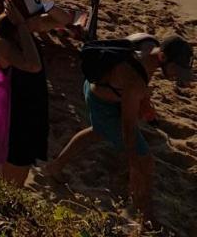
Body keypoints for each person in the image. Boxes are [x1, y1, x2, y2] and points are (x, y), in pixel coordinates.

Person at [47, 33, 192, 221]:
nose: (175, 76)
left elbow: (127, 69)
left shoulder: (148, 42)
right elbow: (128, 127)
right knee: (145, 163)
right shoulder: (135, 82)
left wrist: (144, 102)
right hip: (104, 104)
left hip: (94, 84)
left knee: (97, 132)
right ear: (163, 57)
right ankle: (146, 217)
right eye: (176, 70)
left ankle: (56, 166)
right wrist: (133, 165)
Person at [0, 0, 56, 188]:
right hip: (15, 121)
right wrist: (24, 26)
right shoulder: (3, 43)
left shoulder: (23, 35)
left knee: (16, 179)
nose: (41, 19)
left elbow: (63, 19)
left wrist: (29, 20)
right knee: (12, 184)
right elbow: (33, 65)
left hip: (31, 114)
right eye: (36, 16)